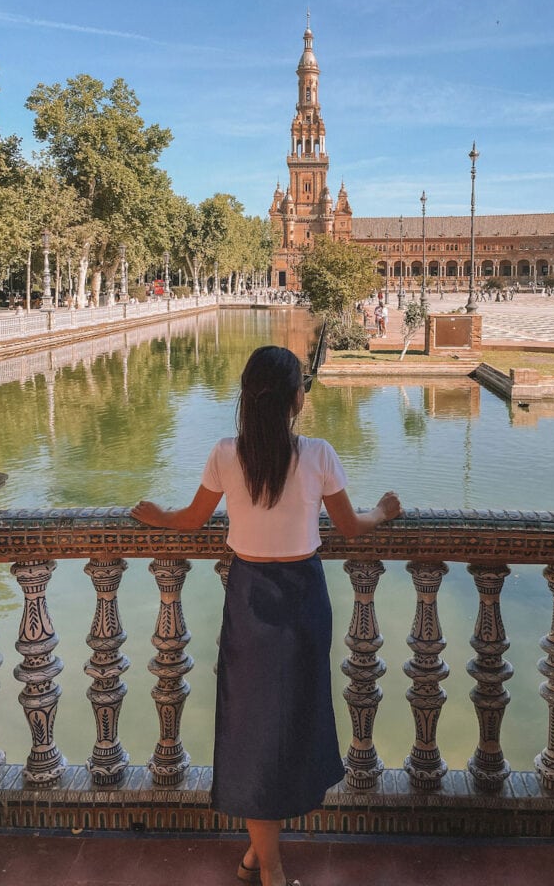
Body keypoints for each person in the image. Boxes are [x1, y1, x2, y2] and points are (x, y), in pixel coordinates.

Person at [132, 346, 401, 886]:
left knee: (254, 724)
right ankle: (271, 868)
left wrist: (157, 516)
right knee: (285, 724)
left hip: (250, 596)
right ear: (295, 400)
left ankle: (260, 850)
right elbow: (351, 528)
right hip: (302, 598)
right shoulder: (319, 454)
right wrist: (384, 512)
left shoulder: (226, 454)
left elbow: (190, 521)